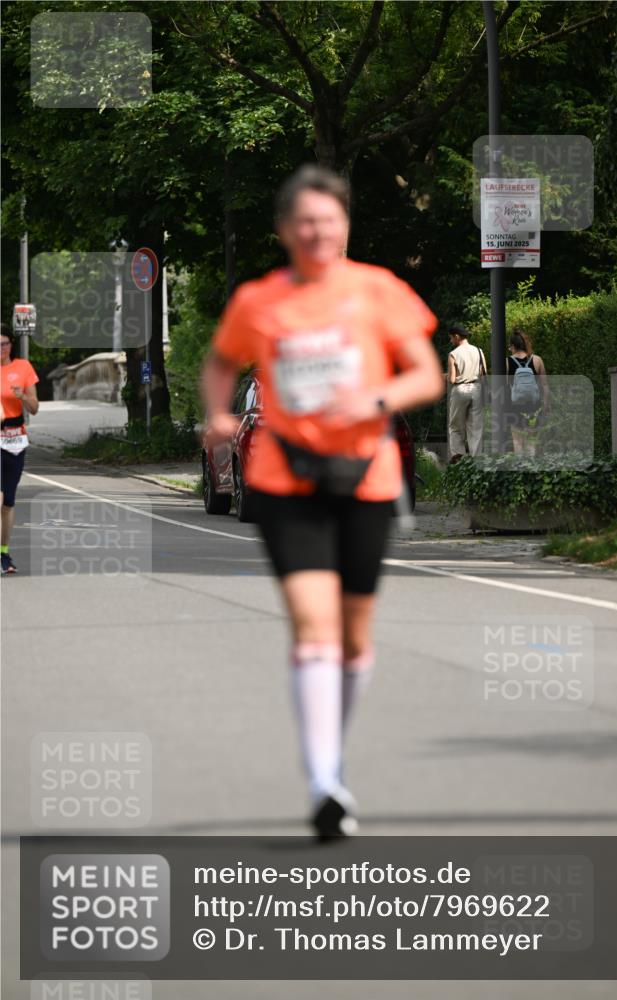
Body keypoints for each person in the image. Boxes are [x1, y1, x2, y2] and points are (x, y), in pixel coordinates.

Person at [201, 164, 443, 839]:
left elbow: (423, 373)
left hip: (364, 477)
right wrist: (219, 413)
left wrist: (374, 399)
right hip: (285, 480)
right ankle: (323, 784)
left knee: (354, 635)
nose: (317, 232)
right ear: (284, 231)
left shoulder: (378, 291)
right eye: (305, 222)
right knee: (313, 628)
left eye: (329, 221)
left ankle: (329, 759)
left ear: (344, 227)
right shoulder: (258, 301)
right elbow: (221, 362)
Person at [1, 323, 39, 575]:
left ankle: (4, 553)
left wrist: (22, 396)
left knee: (8, 504)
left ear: (10, 345)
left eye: (3, 343)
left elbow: (35, 407)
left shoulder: (23, 368)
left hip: (15, 440)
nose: (0, 349)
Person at [506, 329, 549, 456]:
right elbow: (545, 385)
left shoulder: (507, 362)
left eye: (510, 347)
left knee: (518, 442)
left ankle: (520, 471)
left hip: (515, 407)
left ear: (513, 346)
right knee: (531, 442)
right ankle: (531, 470)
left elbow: (503, 386)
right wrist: (546, 405)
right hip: (534, 406)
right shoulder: (537, 360)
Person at [446, 324, 486, 461]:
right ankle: (476, 461)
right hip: (476, 388)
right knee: (476, 427)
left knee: (456, 426)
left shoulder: (453, 354)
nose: (451, 341)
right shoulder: (479, 351)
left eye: (451, 338)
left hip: (460, 389)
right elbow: (483, 373)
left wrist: (443, 376)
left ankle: (459, 459)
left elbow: (451, 379)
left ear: (457, 336)